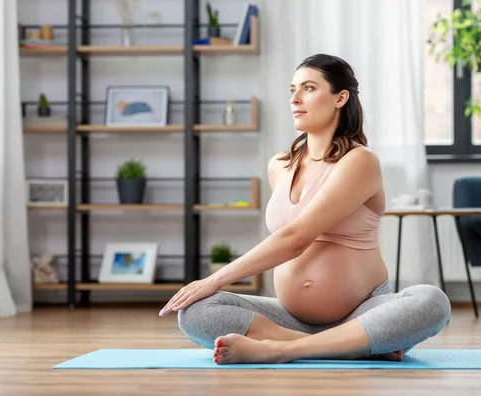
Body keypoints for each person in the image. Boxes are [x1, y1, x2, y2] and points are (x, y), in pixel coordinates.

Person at [159, 53, 451, 364]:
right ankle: (343, 348)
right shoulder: (279, 165)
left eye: (308, 88)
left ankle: (281, 350)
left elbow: (297, 237)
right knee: (195, 310)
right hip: (289, 319)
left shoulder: (359, 161)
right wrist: (209, 290)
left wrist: (214, 278)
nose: (295, 99)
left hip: (363, 316)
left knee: (431, 302)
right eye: (292, 90)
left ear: (341, 98)